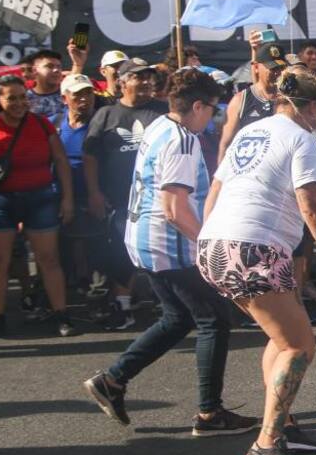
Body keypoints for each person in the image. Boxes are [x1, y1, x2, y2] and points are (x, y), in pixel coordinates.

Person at [199, 71, 316, 455]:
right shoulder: (301, 139)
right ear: (310, 107)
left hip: (218, 243)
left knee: (282, 337)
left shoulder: (249, 133)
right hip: (253, 248)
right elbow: (313, 207)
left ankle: (283, 424)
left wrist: (209, 238)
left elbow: (215, 191)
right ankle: (266, 444)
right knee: (299, 346)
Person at [83, 69, 257, 434]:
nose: (214, 118)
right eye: (213, 109)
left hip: (145, 240)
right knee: (214, 320)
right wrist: (209, 245)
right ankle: (209, 413)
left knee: (178, 317)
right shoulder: (183, 140)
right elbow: (174, 209)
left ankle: (113, 379)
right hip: (170, 245)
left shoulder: (160, 126)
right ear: (198, 106)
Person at [0, 75, 76, 340]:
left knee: (48, 259)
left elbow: (60, 161)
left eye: (23, 97)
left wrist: (67, 198)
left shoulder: (41, 123)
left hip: (40, 198)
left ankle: (61, 315)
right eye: (11, 98)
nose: (19, 103)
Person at [84, 59, 168, 330]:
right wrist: (94, 193)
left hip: (158, 199)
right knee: (121, 252)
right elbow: (90, 156)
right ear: (121, 83)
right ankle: (123, 307)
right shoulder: (106, 114)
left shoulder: (163, 111)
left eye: (147, 77)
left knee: (159, 251)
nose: (144, 82)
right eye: (137, 77)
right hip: (120, 199)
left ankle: (166, 305)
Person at [54, 74, 99, 290]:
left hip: (94, 194)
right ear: (65, 98)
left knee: (93, 246)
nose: (84, 99)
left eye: (88, 93)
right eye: (77, 94)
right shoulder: (53, 124)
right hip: (60, 195)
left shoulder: (101, 122)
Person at [218, 42, 287, 162]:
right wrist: (220, 173)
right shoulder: (241, 100)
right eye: (272, 68)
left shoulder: (289, 99)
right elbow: (226, 144)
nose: (277, 73)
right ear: (256, 67)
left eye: (280, 68)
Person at [26, 50, 67, 120]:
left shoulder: (68, 95)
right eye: (50, 66)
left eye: (59, 66)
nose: (56, 70)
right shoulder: (25, 99)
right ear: (34, 70)